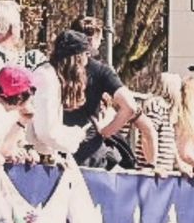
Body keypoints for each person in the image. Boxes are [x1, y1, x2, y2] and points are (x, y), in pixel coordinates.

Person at [66, 15, 154, 168]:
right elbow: (130, 107)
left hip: (58, 150)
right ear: (91, 40)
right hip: (89, 152)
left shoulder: (53, 68)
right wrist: (107, 131)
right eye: (99, 39)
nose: (100, 42)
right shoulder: (101, 71)